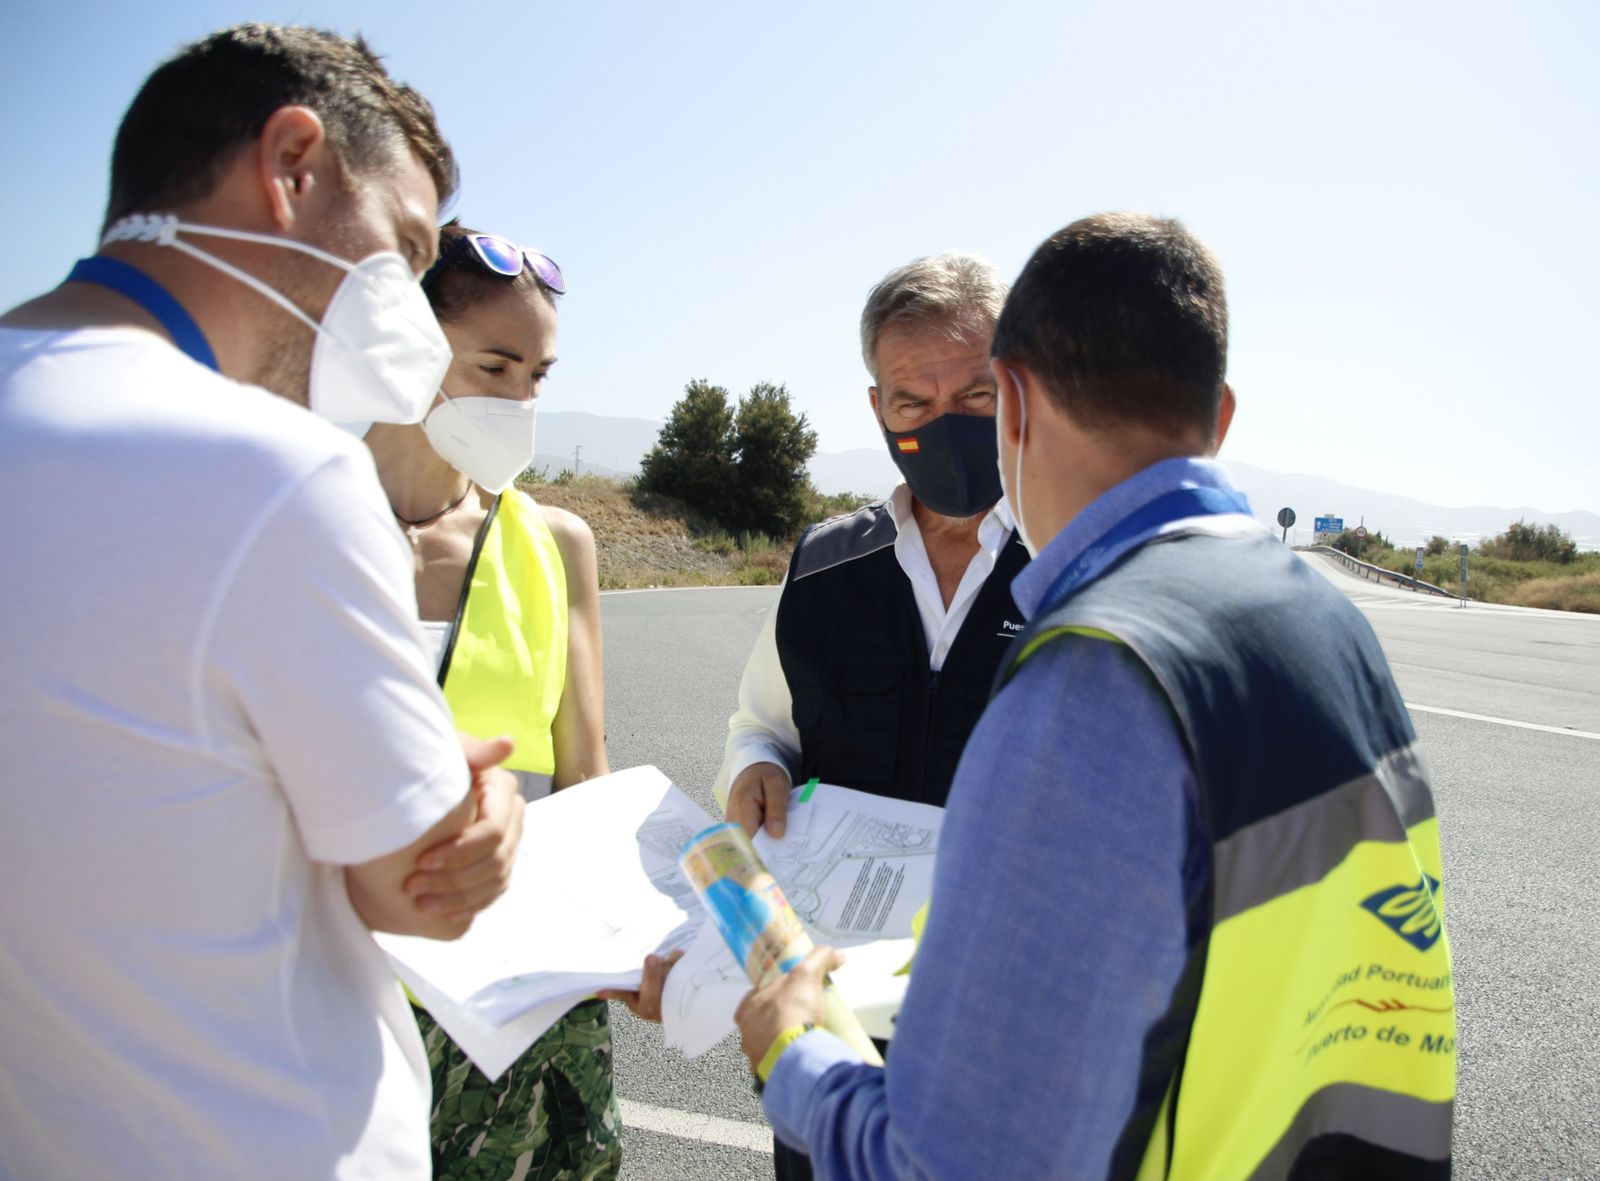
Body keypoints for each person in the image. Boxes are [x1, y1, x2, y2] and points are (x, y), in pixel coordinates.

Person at [734, 213, 1456, 1180]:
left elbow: (955, 1164)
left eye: (977, 395)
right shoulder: (1325, 622)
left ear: (1014, 405)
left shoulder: (1097, 672)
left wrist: (789, 1048)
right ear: (1219, 414)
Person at [0, 26, 526, 1180]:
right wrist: (486, 806)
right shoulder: (277, 473)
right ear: (293, 164)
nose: (407, 306)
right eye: (403, 246)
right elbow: (419, 889)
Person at [712, 251, 1029, 1181]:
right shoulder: (824, 567)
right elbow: (759, 724)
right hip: (833, 1015)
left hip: (1009, 1027)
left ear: (1022, 387)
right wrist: (754, 766)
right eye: (912, 402)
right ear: (877, 408)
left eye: (974, 395)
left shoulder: (1078, 567)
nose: (943, 424)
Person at [361, 221, 620, 1179]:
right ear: (404, 346)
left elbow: (586, 778)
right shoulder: (295, 522)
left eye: (538, 375)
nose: (521, 401)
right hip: (341, 999)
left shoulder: (556, 545)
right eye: (495, 366)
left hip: (513, 1009)